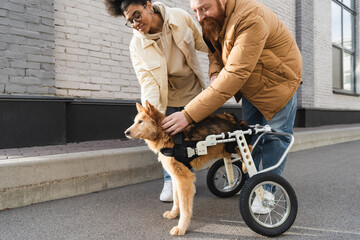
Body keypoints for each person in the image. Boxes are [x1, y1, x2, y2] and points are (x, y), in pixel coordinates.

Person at [162, 0, 302, 213]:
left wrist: (188, 115)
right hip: (252, 83)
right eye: (196, 11)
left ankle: (267, 191)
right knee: (248, 136)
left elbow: (235, 74)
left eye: (204, 8)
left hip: (278, 82)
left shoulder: (250, 17)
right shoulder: (213, 19)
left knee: (275, 137)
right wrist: (215, 72)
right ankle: (252, 182)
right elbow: (214, 52)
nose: (199, 17)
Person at [104, 0, 208, 202]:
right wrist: (152, 114)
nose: (135, 23)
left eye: (137, 15)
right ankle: (170, 179)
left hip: (191, 91)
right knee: (167, 140)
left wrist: (222, 59)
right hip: (164, 97)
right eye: (129, 21)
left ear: (148, 5)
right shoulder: (137, 45)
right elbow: (147, 80)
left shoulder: (179, 17)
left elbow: (203, 42)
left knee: (192, 139)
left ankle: (187, 178)